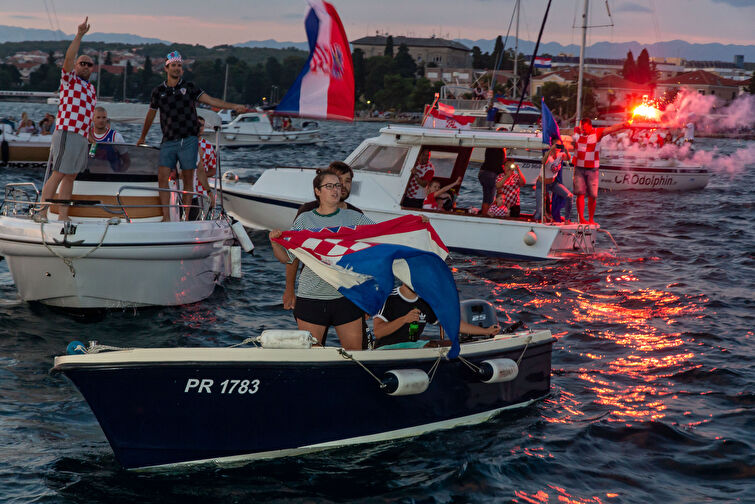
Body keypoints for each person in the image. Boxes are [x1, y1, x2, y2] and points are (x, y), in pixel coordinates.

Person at [136, 50, 246, 221]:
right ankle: (166, 216)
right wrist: (142, 137)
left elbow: (211, 101)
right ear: (166, 68)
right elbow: (151, 115)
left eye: (179, 66)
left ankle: (186, 218)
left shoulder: (190, 87)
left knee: (188, 180)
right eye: (174, 65)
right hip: (169, 140)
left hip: (189, 140)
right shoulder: (158, 91)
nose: (177, 68)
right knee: (162, 177)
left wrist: (233, 106)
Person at [269, 171, 374, 350]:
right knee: (314, 359)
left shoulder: (354, 218)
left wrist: (415, 222)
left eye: (338, 185)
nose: (335, 190)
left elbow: (384, 236)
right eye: (329, 186)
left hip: (346, 295)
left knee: (357, 357)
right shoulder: (305, 219)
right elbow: (287, 258)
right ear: (318, 191)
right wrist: (274, 242)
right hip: (311, 297)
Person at [36, 17, 96, 222]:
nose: (86, 66)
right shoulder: (70, 79)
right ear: (77, 65)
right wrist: (79, 35)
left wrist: (90, 136)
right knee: (58, 173)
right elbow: (69, 59)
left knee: (71, 176)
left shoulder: (91, 88)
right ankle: (41, 212)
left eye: (89, 64)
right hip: (66, 132)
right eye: (83, 63)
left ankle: (63, 215)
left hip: (80, 137)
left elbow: (88, 114)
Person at [284, 162, 362, 311]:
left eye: (347, 181)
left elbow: (366, 255)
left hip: (348, 292)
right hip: (314, 291)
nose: (343, 186)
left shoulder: (357, 215)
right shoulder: (308, 212)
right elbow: (293, 253)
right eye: (338, 181)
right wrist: (289, 289)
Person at [373, 283, 500, 348]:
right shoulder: (388, 298)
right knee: (429, 345)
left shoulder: (425, 302)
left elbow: (452, 323)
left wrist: (485, 331)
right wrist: (404, 319)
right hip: (386, 350)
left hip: (412, 348)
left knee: (455, 343)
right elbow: (378, 332)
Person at [564, 118, 628, 224]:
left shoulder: (597, 132)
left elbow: (611, 129)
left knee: (592, 196)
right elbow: (568, 140)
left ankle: (591, 219)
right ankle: (581, 218)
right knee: (580, 194)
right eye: (581, 128)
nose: (582, 130)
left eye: (584, 128)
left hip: (593, 168)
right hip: (579, 167)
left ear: (590, 126)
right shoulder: (577, 132)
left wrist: (623, 124)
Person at [534, 143, 573, 223]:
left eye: (558, 146)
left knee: (569, 196)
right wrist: (550, 149)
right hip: (542, 184)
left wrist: (565, 148)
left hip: (553, 183)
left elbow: (568, 158)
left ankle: (566, 219)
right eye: (556, 145)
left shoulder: (560, 155)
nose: (557, 148)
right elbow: (543, 161)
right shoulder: (548, 155)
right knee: (539, 211)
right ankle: (538, 220)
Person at [478, 147, 505, 215]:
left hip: (483, 172)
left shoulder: (490, 146)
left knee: (487, 196)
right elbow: (498, 165)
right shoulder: (500, 151)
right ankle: (485, 215)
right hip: (491, 173)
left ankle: (485, 214)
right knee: (489, 198)